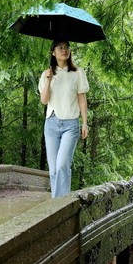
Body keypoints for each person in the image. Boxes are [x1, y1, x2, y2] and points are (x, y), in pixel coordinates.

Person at [38, 40, 89, 197]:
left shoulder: (77, 73)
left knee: (62, 166)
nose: (64, 50)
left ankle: (59, 206)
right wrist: (48, 81)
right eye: (60, 47)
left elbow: (82, 99)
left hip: (70, 125)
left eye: (67, 47)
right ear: (53, 52)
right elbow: (44, 100)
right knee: (53, 169)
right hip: (51, 123)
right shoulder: (46, 74)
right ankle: (58, 203)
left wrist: (85, 124)